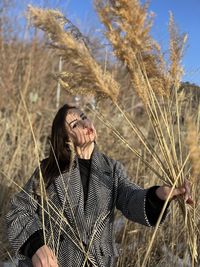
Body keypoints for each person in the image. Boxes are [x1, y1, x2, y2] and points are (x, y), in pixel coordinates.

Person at [6, 104, 193, 267]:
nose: (86, 124)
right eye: (75, 125)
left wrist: (159, 194)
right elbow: (19, 210)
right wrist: (36, 245)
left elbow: (130, 198)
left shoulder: (112, 169)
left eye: (84, 117)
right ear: (65, 138)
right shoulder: (49, 169)